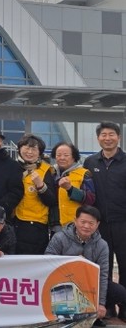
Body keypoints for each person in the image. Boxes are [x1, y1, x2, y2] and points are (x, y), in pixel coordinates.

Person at [45, 206, 126, 327]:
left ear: (97, 224)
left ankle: (94, 314)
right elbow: (47, 262)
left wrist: (101, 304)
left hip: (89, 285)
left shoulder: (102, 245)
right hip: (64, 283)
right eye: (83, 222)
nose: (86, 226)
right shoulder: (59, 238)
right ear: (75, 220)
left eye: (91, 223)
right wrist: (72, 264)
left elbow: (103, 275)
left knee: (119, 291)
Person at [83, 121, 126, 312]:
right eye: (103, 135)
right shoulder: (90, 162)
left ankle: (124, 307)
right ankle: (106, 306)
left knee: (125, 265)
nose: (107, 138)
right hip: (99, 225)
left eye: (111, 134)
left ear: (119, 137)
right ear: (98, 138)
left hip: (123, 223)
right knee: (102, 267)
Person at [13, 134, 57, 254]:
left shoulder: (46, 170)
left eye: (34, 149)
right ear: (20, 149)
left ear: (39, 153)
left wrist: (40, 185)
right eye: (26, 148)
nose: (29, 152)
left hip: (35, 225)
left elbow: (51, 200)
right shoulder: (12, 167)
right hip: (13, 221)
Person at [51, 141, 95, 228]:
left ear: (74, 157)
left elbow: (90, 199)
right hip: (55, 224)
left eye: (66, 155)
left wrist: (70, 189)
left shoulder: (84, 174)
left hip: (75, 224)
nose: (62, 158)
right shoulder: (51, 173)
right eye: (58, 155)